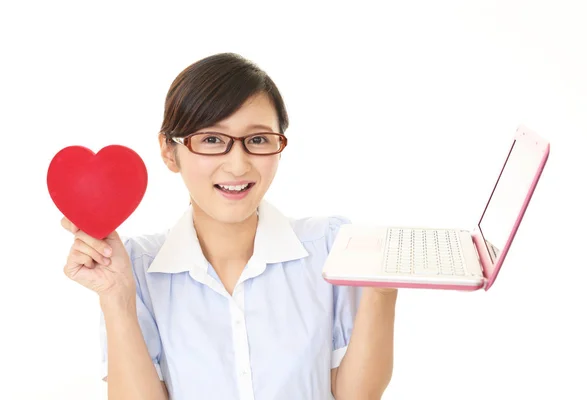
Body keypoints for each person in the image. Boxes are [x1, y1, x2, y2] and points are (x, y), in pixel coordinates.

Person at [60, 53, 398, 400]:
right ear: (168, 150)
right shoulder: (135, 269)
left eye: (258, 140)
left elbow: (356, 396)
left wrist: (382, 288)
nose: (238, 166)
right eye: (211, 140)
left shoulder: (330, 248)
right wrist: (117, 298)